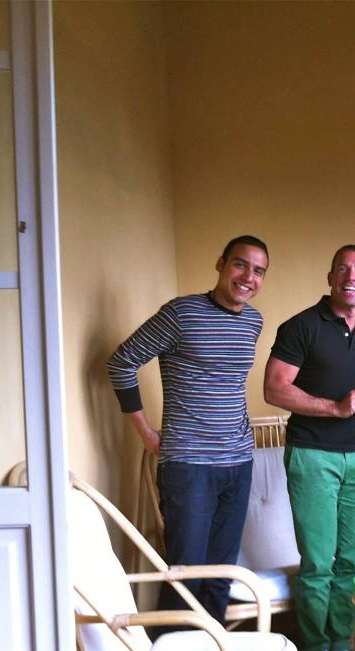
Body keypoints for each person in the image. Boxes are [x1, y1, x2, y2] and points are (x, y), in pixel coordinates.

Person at [106, 234, 269, 626]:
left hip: (239, 462)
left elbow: (229, 383)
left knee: (221, 574)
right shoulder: (181, 313)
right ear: (221, 264)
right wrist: (145, 432)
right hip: (189, 465)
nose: (248, 277)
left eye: (259, 270)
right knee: (186, 574)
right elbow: (121, 362)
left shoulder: (254, 321)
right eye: (240, 264)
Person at [263, 244, 355, 651]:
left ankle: (341, 647)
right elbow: (274, 389)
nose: (351, 277)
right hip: (313, 454)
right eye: (343, 269)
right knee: (317, 562)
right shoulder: (301, 327)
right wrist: (335, 407)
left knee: (353, 562)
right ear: (330, 277)